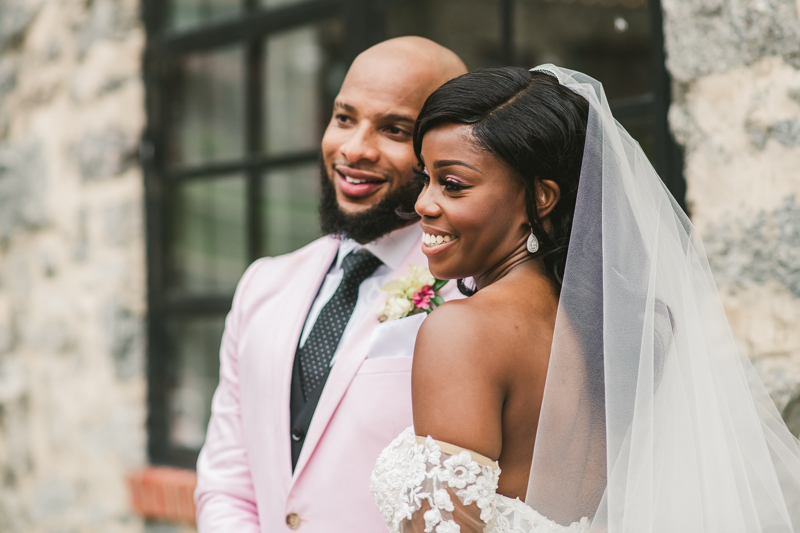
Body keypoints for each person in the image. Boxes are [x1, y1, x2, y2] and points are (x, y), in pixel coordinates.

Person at [370, 65, 800, 532]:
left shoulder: (464, 330)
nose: (423, 204)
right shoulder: (610, 331)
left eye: (452, 184)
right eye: (426, 178)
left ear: (542, 196)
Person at [194, 37, 467, 532]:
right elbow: (227, 480)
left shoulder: (469, 293)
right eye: (344, 117)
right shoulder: (262, 286)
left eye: (394, 129)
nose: (354, 149)